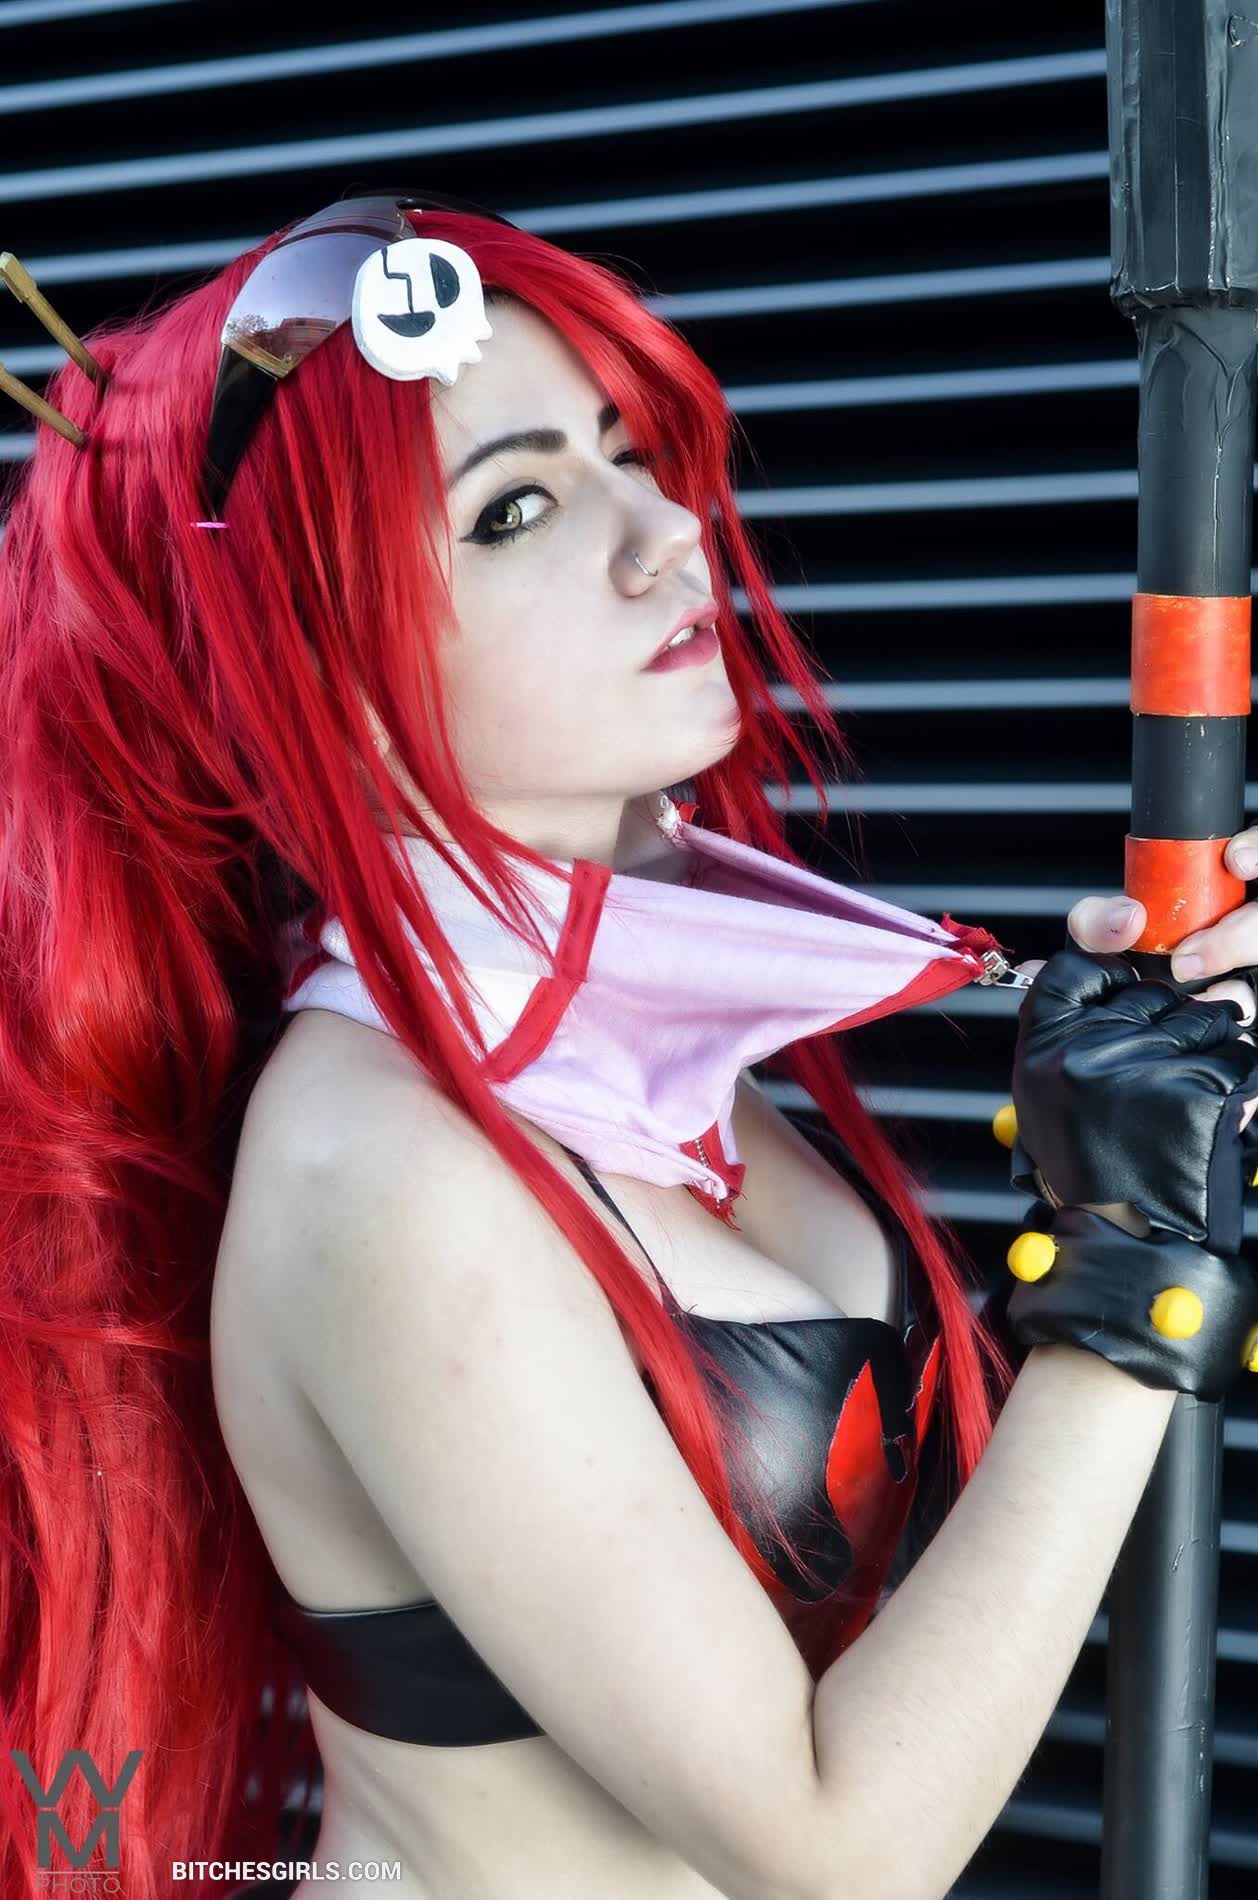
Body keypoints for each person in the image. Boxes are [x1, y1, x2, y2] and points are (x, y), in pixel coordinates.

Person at [3, 191, 1258, 1900]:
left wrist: (1123, 1121)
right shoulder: (383, 1169)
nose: (666, 530)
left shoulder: (631, 1042)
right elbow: (838, 1846)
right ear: (313, 665)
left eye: (623, 453)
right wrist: (1128, 1273)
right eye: (514, 507)